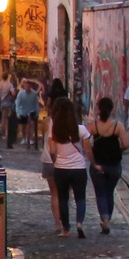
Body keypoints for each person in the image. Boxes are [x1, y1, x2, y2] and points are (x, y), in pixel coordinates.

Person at [42, 95, 90, 235]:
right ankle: (80, 223)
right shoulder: (80, 129)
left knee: (63, 198)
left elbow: (52, 150)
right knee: (80, 197)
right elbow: (87, 149)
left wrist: (56, 159)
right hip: (79, 169)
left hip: (61, 168)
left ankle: (66, 229)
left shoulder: (55, 130)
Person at [88, 94, 125, 236]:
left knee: (100, 193)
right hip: (114, 165)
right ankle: (107, 217)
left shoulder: (93, 126)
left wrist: (91, 155)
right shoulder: (118, 126)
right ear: (111, 109)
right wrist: (118, 150)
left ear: (99, 109)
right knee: (110, 192)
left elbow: (84, 141)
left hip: (98, 164)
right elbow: (126, 144)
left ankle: (105, 219)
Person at [12, 79, 39, 149]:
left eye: (28, 86)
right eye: (26, 86)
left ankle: (30, 138)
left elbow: (36, 104)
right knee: (23, 125)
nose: (27, 87)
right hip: (23, 111)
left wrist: (37, 112)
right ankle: (24, 138)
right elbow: (17, 103)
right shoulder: (21, 93)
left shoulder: (34, 94)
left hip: (31, 111)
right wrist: (18, 113)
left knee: (31, 124)